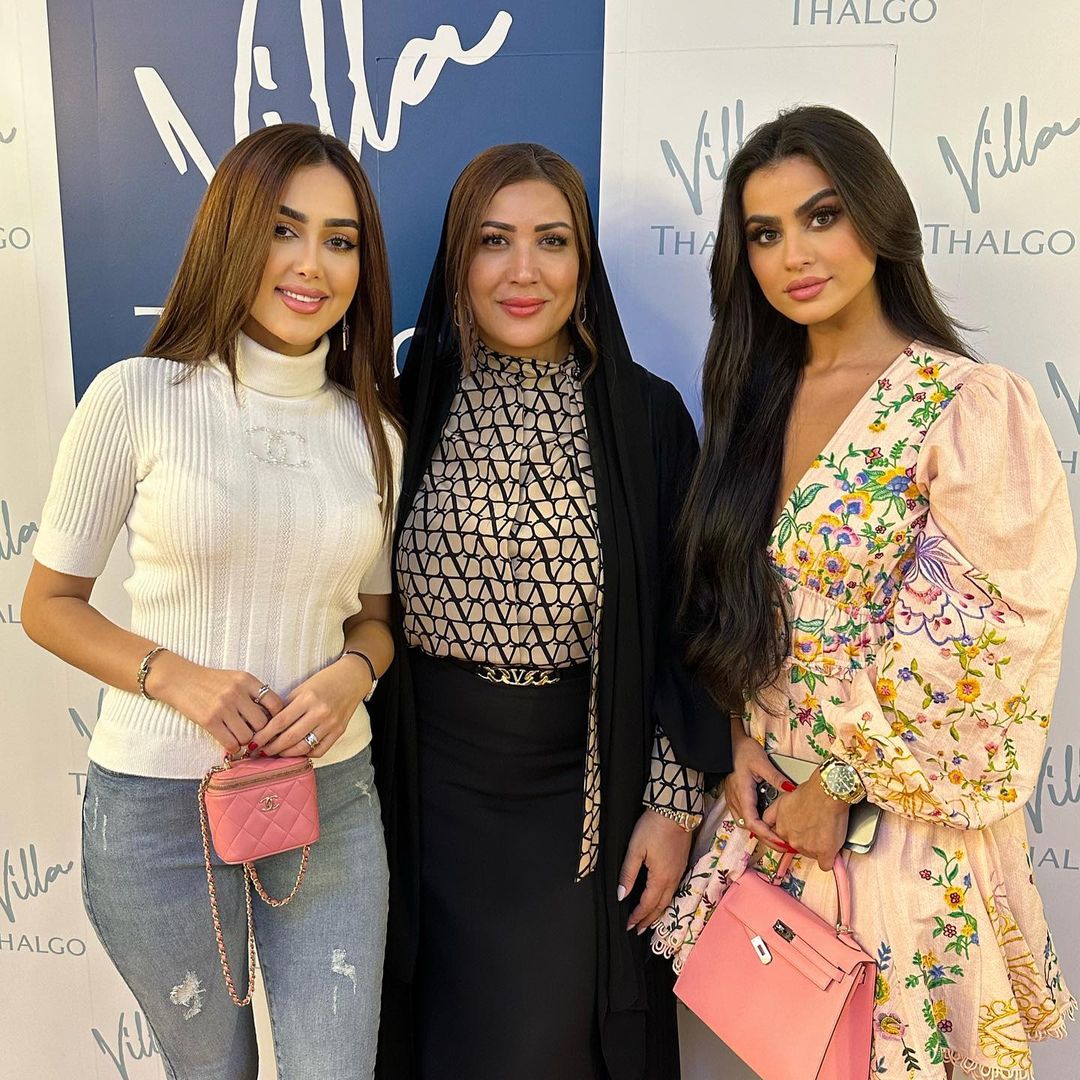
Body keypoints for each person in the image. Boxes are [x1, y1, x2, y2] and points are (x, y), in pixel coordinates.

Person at [653, 105, 1075, 1080]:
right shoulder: (750, 403)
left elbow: (984, 638)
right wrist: (737, 741)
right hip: (768, 831)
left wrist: (840, 786)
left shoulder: (965, 405)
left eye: (822, 215)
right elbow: (726, 609)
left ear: (878, 218)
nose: (795, 254)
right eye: (765, 233)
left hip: (899, 833)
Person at [21, 123, 402, 1080]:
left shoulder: (375, 433)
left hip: (330, 799)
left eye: (340, 240)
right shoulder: (135, 398)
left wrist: (353, 676)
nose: (312, 264)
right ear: (232, 235)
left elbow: (374, 618)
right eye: (283, 229)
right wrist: (177, 678)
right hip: (158, 811)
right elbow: (49, 604)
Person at [371, 142, 731, 1080]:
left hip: (586, 801)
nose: (523, 271)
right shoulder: (402, 409)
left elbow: (692, 626)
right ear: (458, 259)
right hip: (425, 799)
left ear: (584, 261)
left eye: (553, 241)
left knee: (560, 1049)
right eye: (493, 241)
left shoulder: (646, 419)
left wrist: (672, 805)